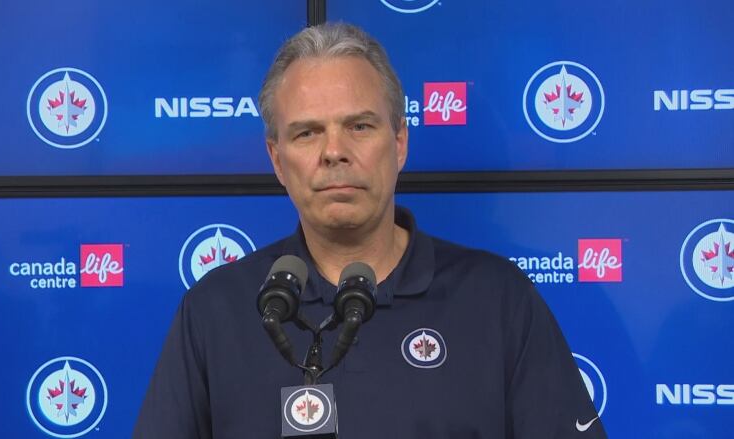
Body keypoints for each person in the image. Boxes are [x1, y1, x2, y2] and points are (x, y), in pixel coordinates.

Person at [134, 23, 607, 438]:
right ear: (277, 159)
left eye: (359, 126)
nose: (334, 151)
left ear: (400, 142)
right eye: (306, 133)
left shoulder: (500, 300)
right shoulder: (215, 310)